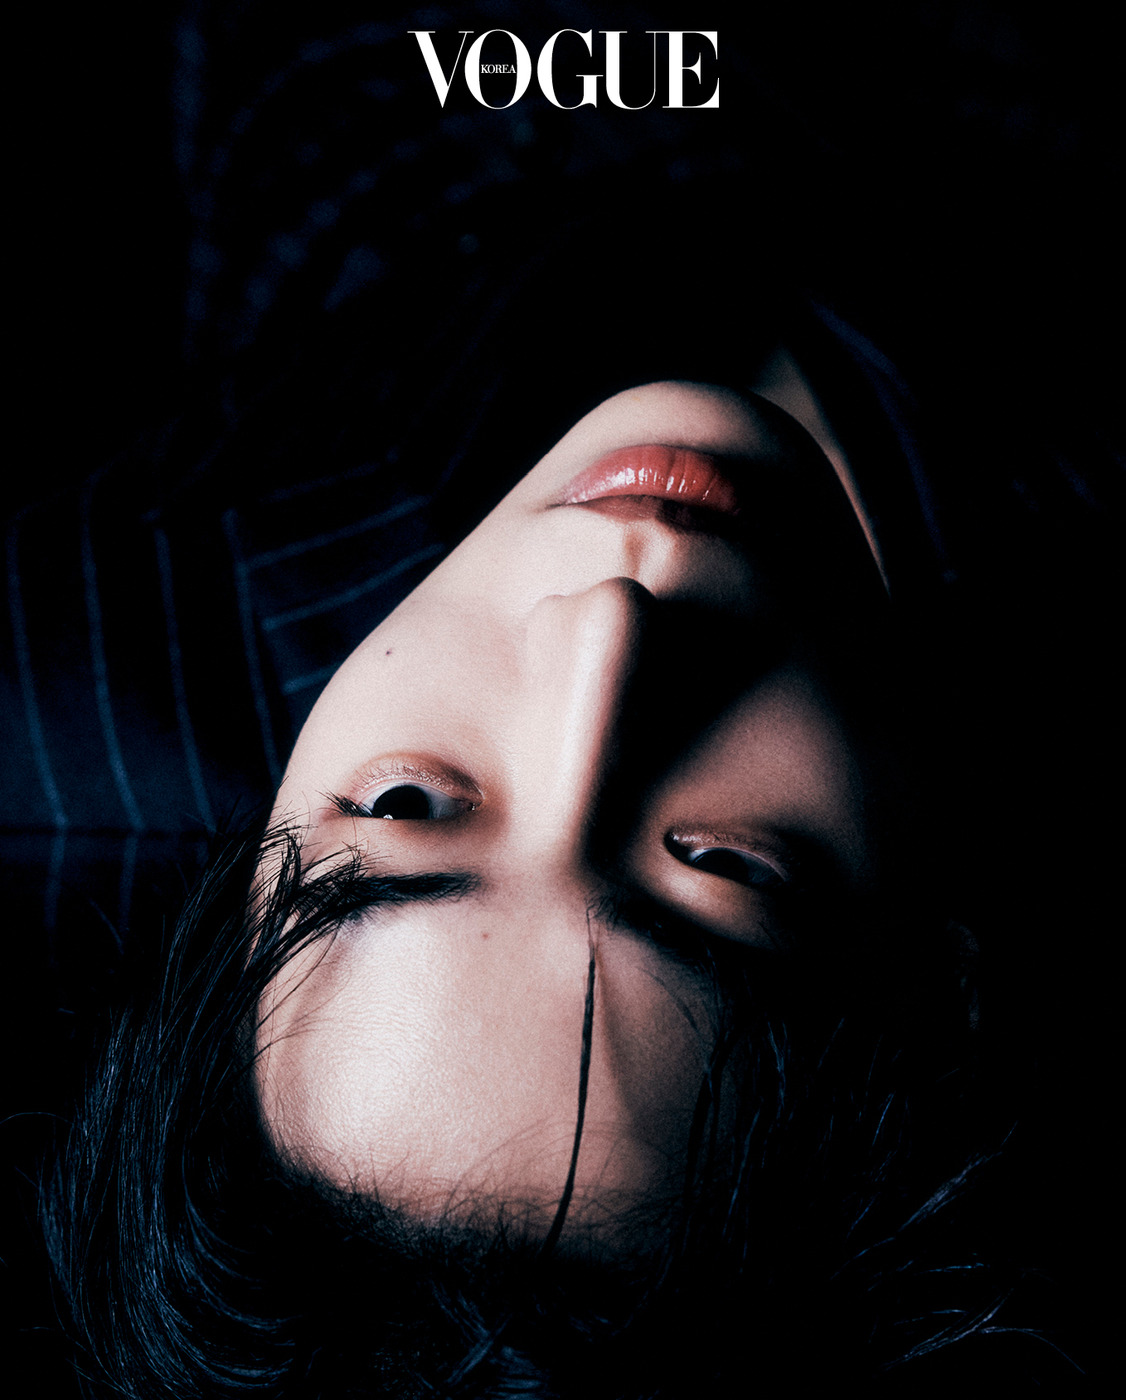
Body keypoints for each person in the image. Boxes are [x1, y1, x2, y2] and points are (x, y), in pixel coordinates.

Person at [44, 364, 1039, 1397]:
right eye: (723, 867)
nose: (609, 629)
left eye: (404, 806)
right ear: (935, 978)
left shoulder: (107, 630)